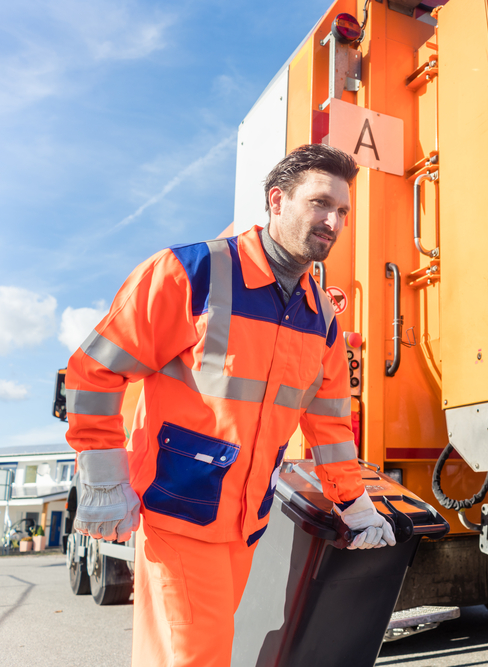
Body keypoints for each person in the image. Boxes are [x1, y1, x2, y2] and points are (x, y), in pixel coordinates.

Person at [65, 144, 394, 667]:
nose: (334, 221)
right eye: (320, 204)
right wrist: (103, 475)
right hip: (178, 513)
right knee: (194, 657)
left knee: (199, 652)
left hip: (246, 525)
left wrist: (353, 502)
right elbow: (95, 369)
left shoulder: (322, 318)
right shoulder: (190, 273)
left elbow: (330, 425)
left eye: (343, 211)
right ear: (277, 200)